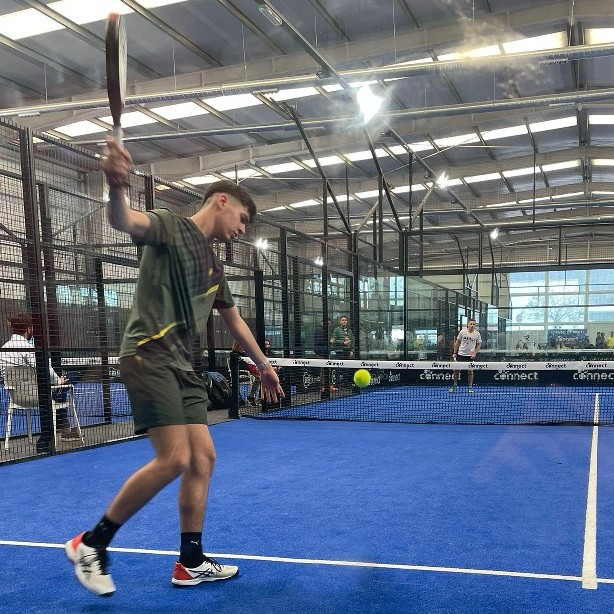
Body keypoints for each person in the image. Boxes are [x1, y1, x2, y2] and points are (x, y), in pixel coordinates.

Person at [65, 138, 283, 597]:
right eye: (243, 219)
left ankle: (190, 562)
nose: (242, 230)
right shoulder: (170, 226)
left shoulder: (214, 266)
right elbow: (125, 220)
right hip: (148, 354)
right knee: (175, 459)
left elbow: (234, 320)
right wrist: (115, 186)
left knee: (203, 458)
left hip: (184, 368)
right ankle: (92, 543)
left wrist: (263, 365)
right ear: (221, 201)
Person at [0, 313, 78, 451]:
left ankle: (62, 425)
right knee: (73, 376)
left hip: (15, 397)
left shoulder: (4, 348)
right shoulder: (27, 347)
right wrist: (58, 380)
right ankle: (63, 426)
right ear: (29, 329)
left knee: (59, 389)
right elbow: (43, 367)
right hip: (38, 395)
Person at [449, 318, 482, 394]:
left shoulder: (477, 334)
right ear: (468, 325)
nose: (472, 325)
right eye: (471, 324)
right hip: (461, 354)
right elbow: (457, 342)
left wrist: (475, 353)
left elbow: (479, 345)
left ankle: (470, 387)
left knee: (470, 372)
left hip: (470, 356)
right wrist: (455, 352)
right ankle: (455, 385)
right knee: (456, 371)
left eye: (473, 324)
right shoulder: (462, 332)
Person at [313, 318, 331, 393]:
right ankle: (322, 386)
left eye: (329, 324)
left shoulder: (326, 330)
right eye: (327, 323)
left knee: (327, 369)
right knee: (322, 370)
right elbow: (319, 341)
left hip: (326, 353)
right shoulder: (319, 330)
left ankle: (326, 385)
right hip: (320, 353)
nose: (328, 325)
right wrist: (329, 341)